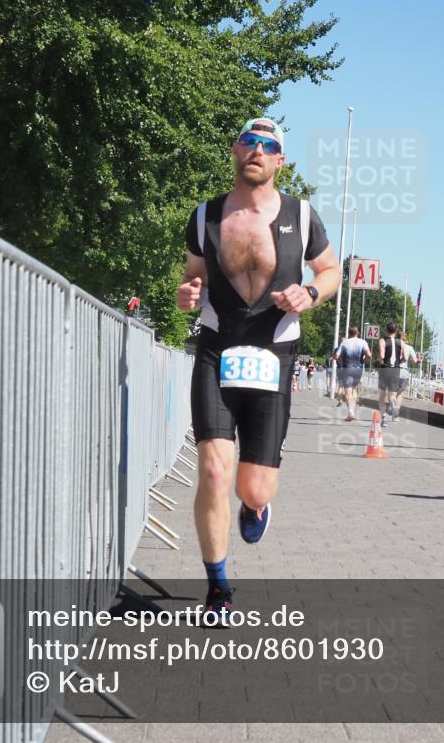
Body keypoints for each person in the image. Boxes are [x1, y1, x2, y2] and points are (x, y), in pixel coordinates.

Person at [175, 117, 339, 614]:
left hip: (274, 354)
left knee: (253, 483)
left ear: (280, 160)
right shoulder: (205, 216)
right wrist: (186, 296)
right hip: (216, 350)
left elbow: (331, 271)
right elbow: (191, 281)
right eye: (250, 141)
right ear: (235, 150)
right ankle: (218, 588)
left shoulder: (302, 215)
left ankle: (255, 504)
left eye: (269, 146)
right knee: (211, 471)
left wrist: (310, 292)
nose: (258, 151)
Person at [334, 326, 371, 421]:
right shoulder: (363, 342)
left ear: (349, 333)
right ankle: (353, 411)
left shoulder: (344, 342)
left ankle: (350, 413)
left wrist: (340, 359)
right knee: (354, 391)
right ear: (357, 333)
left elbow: (337, 356)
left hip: (347, 369)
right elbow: (369, 354)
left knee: (347, 392)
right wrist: (363, 359)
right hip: (358, 369)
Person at [377, 322, 406, 428]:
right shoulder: (401, 342)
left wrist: (379, 359)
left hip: (385, 368)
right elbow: (406, 357)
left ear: (386, 330)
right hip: (396, 370)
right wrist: (399, 362)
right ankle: (394, 405)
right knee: (392, 396)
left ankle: (384, 419)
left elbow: (381, 355)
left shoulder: (382, 340)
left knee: (381, 396)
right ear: (396, 330)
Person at [389, 332, 420, 422]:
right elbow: (415, 361)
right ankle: (396, 415)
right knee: (400, 393)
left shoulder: (392, 347)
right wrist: (417, 360)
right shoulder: (409, 348)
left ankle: (394, 408)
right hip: (404, 373)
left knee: (392, 394)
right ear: (405, 339)